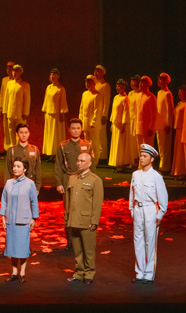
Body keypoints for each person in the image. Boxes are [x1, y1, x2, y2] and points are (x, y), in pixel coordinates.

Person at [130, 144, 168, 283]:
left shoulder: (156, 176)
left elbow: (163, 197)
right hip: (138, 209)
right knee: (138, 241)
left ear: (151, 159)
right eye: (141, 156)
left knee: (150, 242)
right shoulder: (135, 174)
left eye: (145, 156)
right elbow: (132, 194)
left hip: (150, 209)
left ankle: (148, 273)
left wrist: (160, 214)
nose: (141, 158)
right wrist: (132, 210)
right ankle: (139, 273)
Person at [55, 118, 95, 250]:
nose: (76, 131)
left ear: (81, 129)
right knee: (69, 211)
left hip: (84, 180)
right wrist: (59, 183)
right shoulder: (63, 146)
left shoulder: (87, 145)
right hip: (69, 180)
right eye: (73, 128)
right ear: (69, 130)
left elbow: (92, 166)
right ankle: (70, 240)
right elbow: (58, 166)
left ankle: (82, 239)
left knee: (84, 210)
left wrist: (93, 183)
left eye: (78, 128)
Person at [65, 152, 103, 284]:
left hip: (87, 221)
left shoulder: (95, 180)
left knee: (88, 250)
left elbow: (97, 203)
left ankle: (89, 274)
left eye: (82, 161)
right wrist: (67, 217)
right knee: (78, 250)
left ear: (89, 163)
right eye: (78, 160)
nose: (79, 163)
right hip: (74, 219)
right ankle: (79, 273)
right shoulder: (72, 178)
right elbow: (68, 200)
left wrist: (94, 221)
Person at [0, 158, 39, 283]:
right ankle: (14, 272)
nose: (15, 169)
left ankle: (22, 273)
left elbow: (34, 202)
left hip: (24, 220)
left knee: (22, 248)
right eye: (14, 166)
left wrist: (34, 218)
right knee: (12, 247)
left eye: (18, 166)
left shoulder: (30, 183)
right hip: (11, 220)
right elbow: (4, 200)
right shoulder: (9, 183)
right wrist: (3, 216)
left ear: (25, 169)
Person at [5, 123, 42, 192]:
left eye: (26, 132)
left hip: (31, 185)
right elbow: (7, 170)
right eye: (21, 132)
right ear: (17, 134)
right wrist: (8, 188)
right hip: (15, 185)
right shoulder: (12, 150)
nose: (24, 135)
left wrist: (37, 187)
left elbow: (38, 170)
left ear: (29, 134)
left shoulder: (35, 150)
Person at [41, 68, 68, 157]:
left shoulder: (61, 88)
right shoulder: (48, 87)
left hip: (56, 114)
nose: (53, 76)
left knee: (56, 134)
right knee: (49, 134)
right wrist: (45, 111)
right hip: (49, 113)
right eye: (51, 75)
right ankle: (50, 153)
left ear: (58, 76)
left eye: (55, 75)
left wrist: (62, 112)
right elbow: (46, 100)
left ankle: (57, 153)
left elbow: (63, 101)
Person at [3, 64, 30, 150]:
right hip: (10, 112)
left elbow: (27, 100)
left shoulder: (25, 84)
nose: (14, 73)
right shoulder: (9, 84)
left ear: (20, 72)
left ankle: (21, 149)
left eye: (17, 71)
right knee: (11, 131)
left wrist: (25, 112)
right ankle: (12, 148)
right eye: (13, 71)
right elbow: (6, 98)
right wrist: (5, 111)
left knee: (21, 132)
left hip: (20, 113)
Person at [108, 79, 132, 172]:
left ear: (124, 87)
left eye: (119, 86)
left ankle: (121, 164)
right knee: (115, 143)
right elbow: (113, 111)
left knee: (120, 144)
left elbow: (126, 112)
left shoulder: (125, 98)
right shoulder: (116, 97)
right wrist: (112, 123)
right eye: (117, 86)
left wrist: (123, 124)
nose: (117, 88)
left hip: (121, 124)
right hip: (115, 123)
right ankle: (115, 163)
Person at [79, 75, 104, 161]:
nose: (87, 84)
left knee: (94, 143)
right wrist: (81, 120)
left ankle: (94, 160)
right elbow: (81, 108)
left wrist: (93, 122)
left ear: (94, 83)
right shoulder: (84, 94)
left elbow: (97, 110)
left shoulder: (97, 95)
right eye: (86, 82)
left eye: (89, 82)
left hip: (94, 125)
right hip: (85, 123)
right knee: (86, 143)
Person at [155, 73, 174, 175]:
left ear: (166, 81)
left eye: (161, 79)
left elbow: (169, 110)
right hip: (159, 123)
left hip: (165, 124)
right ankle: (162, 166)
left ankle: (165, 167)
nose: (159, 81)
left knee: (165, 146)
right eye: (159, 79)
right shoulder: (159, 93)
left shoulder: (168, 94)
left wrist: (168, 124)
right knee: (160, 146)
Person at [134, 76, 158, 154]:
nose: (141, 84)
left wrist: (151, 127)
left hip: (147, 127)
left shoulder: (151, 97)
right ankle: (141, 162)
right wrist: (135, 126)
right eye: (140, 82)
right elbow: (136, 112)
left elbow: (154, 113)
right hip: (139, 127)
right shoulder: (138, 96)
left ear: (148, 84)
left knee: (147, 148)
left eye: (143, 83)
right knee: (140, 148)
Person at [93, 65, 112, 163]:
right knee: (96, 135)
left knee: (101, 135)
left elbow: (106, 101)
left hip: (101, 113)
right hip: (94, 113)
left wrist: (105, 114)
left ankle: (103, 155)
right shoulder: (95, 85)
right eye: (96, 71)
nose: (97, 73)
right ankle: (97, 154)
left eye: (99, 72)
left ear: (103, 74)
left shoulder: (105, 86)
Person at [170, 84, 186, 179]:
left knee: (182, 152)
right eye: (179, 92)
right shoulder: (179, 103)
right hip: (178, 128)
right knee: (178, 151)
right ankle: (177, 170)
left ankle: (183, 171)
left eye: (182, 92)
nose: (180, 94)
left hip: (183, 128)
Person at [0, 61, 16, 149]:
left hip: (14, 108)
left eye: (11, 68)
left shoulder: (17, 82)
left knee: (14, 128)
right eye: (8, 68)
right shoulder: (4, 80)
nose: (9, 70)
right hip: (6, 107)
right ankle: (7, 148)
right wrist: (1, 106)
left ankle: (15, 146)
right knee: (6, 128)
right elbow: (2, 93)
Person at [126, 75, 142, 167]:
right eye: (131, 81)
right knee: (131, 141)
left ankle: (139, 160)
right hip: (130, 119)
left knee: (137, 141)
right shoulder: (130, 94)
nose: (132, 83)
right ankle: (133, 160)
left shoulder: (141, 93)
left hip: (137, 119)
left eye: (134, 81)